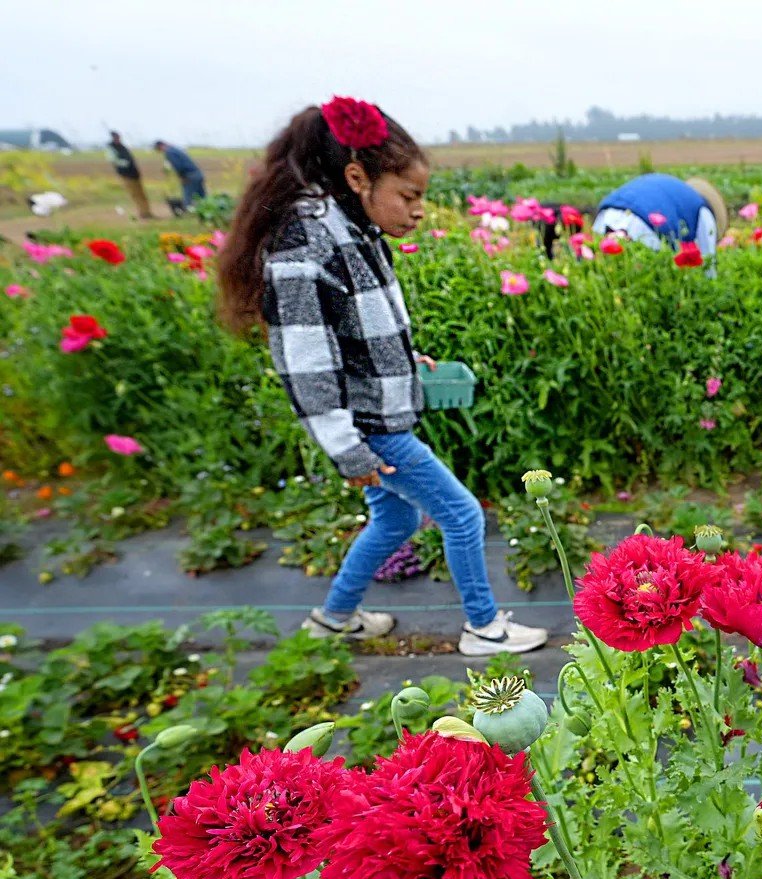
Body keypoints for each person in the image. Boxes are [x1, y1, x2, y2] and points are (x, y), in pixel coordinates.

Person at [214, 97, 547, 656]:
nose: (418, 212)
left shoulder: (348, 228)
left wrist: (405, 360)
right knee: (462, 515)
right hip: (370, 428)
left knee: (394, 522)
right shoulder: (305, 242)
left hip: (372, 416)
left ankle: (334, 619)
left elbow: (355, 327)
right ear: (357, 178)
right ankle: (485, 628)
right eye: (409, 196)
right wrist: (347, 449)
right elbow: (304, 357)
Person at [593, 173, 728, 262]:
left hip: (606, 215)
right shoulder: (703, 210)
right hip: (646, 228)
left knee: (601, 268)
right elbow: (708, 264)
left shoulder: (676, 191)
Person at [106, 132, 153, 219]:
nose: (118, 139)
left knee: (141, 194)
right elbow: (113, 161)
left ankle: (147, 212)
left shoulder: (122, 147)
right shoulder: (111, 148)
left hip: (134, 173)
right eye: (116, 137)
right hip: (126, 175)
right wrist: (125, 163)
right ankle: (143, 213)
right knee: (135, 194)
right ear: (113, 138)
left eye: (118, 137)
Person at [154, 139, 206, 213]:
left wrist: (182, 176)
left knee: (188, 196)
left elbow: (178, 165)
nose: (161, 151)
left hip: (189, 175)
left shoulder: (169, 152)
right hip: (198, 173)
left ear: (161, 146)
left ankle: (188, 213)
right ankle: (206, 210)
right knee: (202, 196)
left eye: (159, 149)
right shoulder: (175, 149)